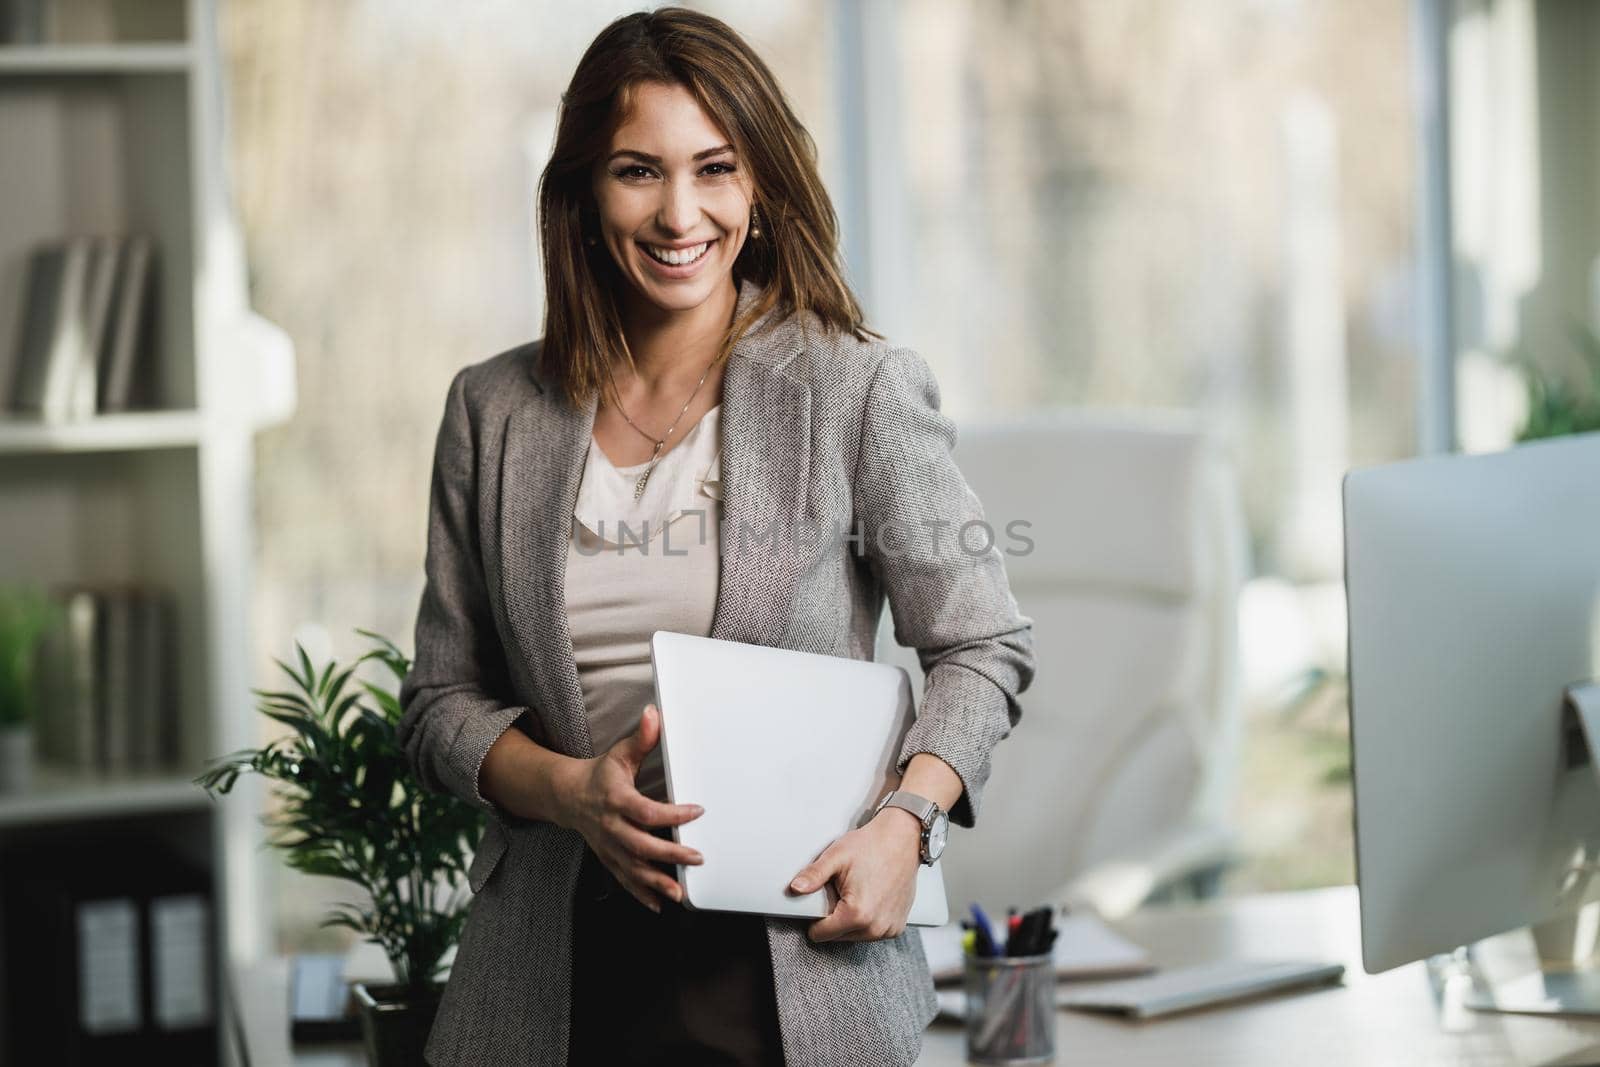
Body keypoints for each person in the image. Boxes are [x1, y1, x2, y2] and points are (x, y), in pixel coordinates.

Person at [396, 8, 1036, 1066]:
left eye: (715, 168)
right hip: (554, 979)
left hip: (798, 966)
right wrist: (570, 791)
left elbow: (983, 643)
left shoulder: (852, 389)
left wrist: (905, 823)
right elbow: (438, 704)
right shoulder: (493, 410)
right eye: (638, 171)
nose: (678, 211)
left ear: (759, 187)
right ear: (584, 193)